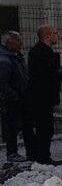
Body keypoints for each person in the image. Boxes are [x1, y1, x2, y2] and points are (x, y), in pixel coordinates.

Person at [25, 25, 62, 164]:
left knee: (44, 127)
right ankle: (42, 157)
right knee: (45, 128)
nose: (58, 36)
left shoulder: (40, 51)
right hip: (42, 97)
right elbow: (48, 74)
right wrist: (61, 74)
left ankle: (39, 156)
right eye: (55, 33)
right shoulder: (42, 53)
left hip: (41, 96)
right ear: (47, 35)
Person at [0, 31, 31, 163]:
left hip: (20, 98)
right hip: (11, 100)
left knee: (19, 125)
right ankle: (12, 153)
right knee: (11, 126)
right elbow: (2, 82)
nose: (21, 43)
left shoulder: (16, 57)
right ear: (8, 43)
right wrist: (12, 96)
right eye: (18, 40)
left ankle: (20, 152)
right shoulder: (5, 60)